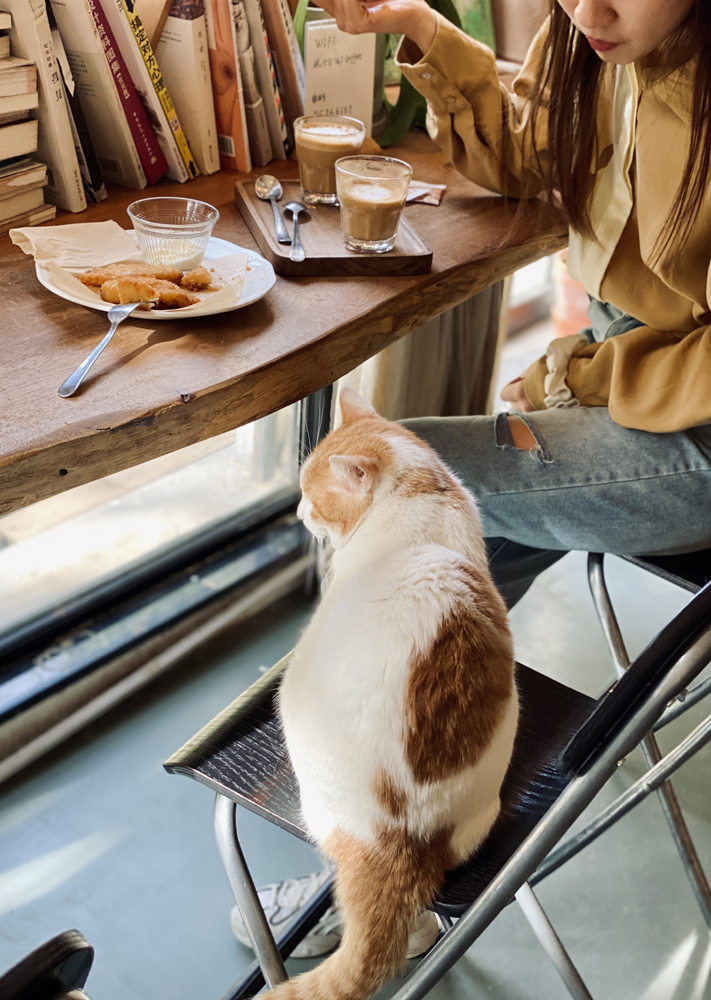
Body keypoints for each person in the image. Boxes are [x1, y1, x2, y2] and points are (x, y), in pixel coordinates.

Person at [231, 0, 711, 956]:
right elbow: (534, 150)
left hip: (691, 433)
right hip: (620, 383)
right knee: (434, 580)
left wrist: (586, 375)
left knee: (406, 490)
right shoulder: (604, 38)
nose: (587, 10)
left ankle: (372, 870)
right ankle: (383, 859)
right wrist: (421, 25)